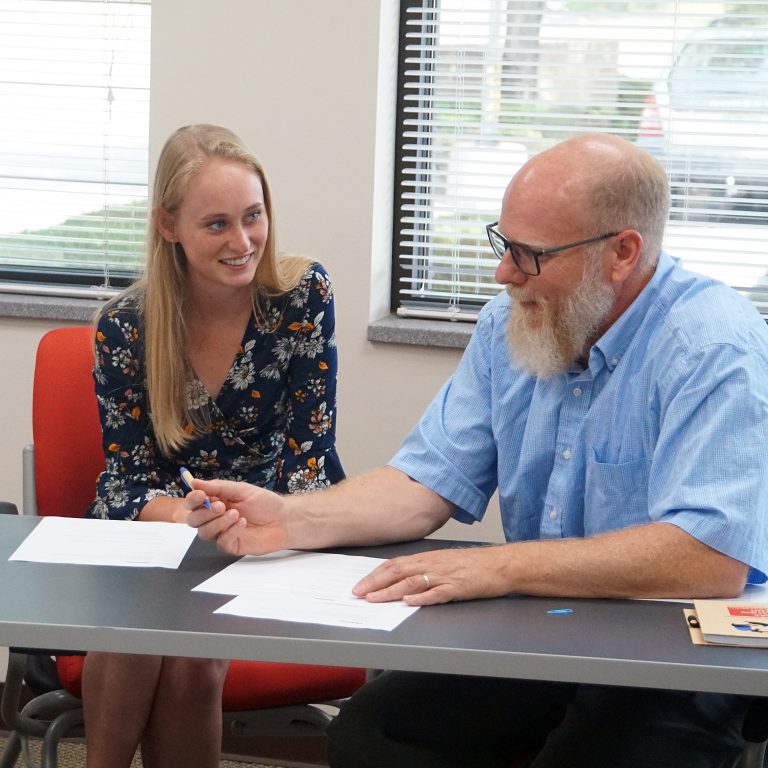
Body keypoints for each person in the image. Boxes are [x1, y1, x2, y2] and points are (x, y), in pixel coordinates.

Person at [185, 133, 768, 768]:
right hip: (551, 623)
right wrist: (290, 518)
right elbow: (425, 481)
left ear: (622, 253)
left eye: (529, 255)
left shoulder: (713, 347)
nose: (505, 273)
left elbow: (707, 559)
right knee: (372, 735)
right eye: (503, 243)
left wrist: (499, 568)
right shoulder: (513, 324)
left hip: (679, 650)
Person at [84, 124, 344, 768]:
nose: (243, 241)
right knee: (135, 643)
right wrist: (183, 515)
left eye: (253, 216)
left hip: (265, 527)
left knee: (192, 662)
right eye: (217, 224)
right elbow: (125, 477)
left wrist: (253, 520)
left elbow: (311, 454)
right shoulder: (127, 325)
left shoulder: (301, 297)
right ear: (168, 225)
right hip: (156, 528)